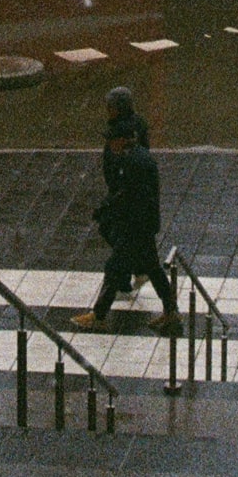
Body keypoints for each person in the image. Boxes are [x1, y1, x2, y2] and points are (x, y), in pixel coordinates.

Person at [83, 89, 175, 329]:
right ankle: (171, 312)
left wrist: (110, 208)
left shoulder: (132, 163)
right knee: (152, 268)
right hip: (140, 223)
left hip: (134, 225)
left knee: (115, 267)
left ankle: (98, 316)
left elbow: (130, 194)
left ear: (123, 139)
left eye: (112, 140)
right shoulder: (135, 157)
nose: (109, 145)